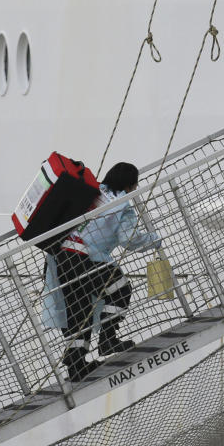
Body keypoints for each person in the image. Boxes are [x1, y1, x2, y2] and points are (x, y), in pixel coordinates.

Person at [55, 163, 161, 382]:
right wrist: (155, 240)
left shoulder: (93, 190)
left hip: (63, 256)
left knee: (79, 311)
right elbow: (128, 239)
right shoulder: (122, 204)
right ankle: (108, 340)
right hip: (87, 259)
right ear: (130, 184)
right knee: (120, 290)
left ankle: (76, 366)